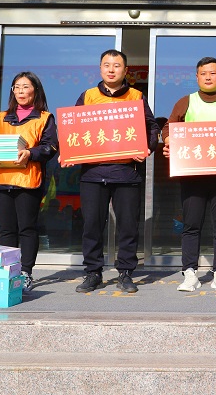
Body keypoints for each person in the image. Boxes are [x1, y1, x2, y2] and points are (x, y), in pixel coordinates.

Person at [70, 49, 160, 294]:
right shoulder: (88, 96)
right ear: (100, 68)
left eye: (117, 65)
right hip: (93, 174)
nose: (111, 69)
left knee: (128, 226)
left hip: (126, 173)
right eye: (107, 65)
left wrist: (147, 148)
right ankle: (93, 273)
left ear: (126, 70)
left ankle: (126, 273)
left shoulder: (136, 96)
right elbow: (74, 128)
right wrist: (69, 151)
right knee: (91, 226)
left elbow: (152, 127)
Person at [162, 57, 216, 292]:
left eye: (212, 73)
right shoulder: (185, 102)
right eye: (203, 73)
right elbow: (168, 128)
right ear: (197, 77)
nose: (208, 77)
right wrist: (169, 141)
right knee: (191, 225)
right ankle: (190, 273)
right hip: (193, 176)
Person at [0, 71, 59, 292]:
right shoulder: (1, 117)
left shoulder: (45, 118)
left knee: (27, 228)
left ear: (35, 90)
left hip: (28, 180)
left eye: (25, 87)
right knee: (6, 229)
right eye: (16, 87)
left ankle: (26, 272)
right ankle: (8, 272)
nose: (20, 91)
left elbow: (50, 147)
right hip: (2, 179)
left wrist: (30, 153)